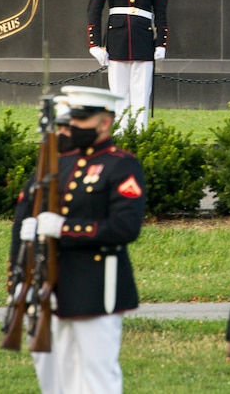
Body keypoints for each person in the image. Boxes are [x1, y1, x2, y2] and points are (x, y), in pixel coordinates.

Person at [18, 85, 146, 394]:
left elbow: (124, 228)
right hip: (59, 283)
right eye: (72, 119)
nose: (73, 126)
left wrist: (64, 228)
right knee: (65, 374)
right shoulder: (63, 164)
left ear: (104, 123)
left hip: (98, 286)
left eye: (82, 120)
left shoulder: (121, 165)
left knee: (96, 376)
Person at [9, 96, 75, 394]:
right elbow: (18, 233)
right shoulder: (39, 176)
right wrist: (17, 280)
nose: (59, 134)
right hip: (36, 275)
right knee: (45, 367)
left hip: (74, 278)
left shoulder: (93, 169)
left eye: (65, 128)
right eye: (56, 128)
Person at [86, 0, 169, 131]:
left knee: (141, 96)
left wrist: (161, 44)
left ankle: (140, 137)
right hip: (117, 41)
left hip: (143, 41)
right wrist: (94, 44)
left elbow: (161, 12)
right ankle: (121, 137)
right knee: (118, 96)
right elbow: (94, 10)